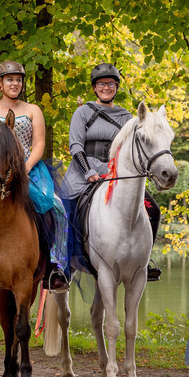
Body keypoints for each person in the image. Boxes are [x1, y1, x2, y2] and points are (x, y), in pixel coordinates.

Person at [0, 60, 70, 290]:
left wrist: (25, 167)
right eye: (9, 80)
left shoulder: (33, 110)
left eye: (18, 80)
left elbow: (39, 144)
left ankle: (54, 264)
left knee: (55, 206)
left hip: (27, 169)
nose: (15, 83)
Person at [62, 63, 161, 281]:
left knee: (153, 210)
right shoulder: (82, 112)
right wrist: (88, 172)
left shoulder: (126, 117)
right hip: (83, 173)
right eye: (101, 84)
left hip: (116, 174)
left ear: (116, 87)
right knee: (64, 209)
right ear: (94, 88)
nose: (106, 88)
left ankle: (145, 261)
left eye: (110, 84)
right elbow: (75, 146)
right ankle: (61, 263)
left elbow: (132, 150)